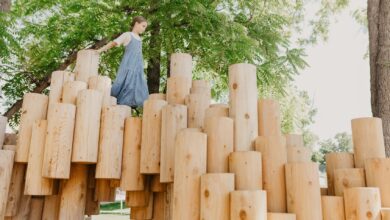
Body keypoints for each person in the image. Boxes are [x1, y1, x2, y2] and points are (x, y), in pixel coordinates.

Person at [97, 16, 149, 109]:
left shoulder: (139, 39)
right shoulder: (127, 35)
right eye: (143, 26)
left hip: (137, 66)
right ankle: (113, 102)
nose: (144, 29)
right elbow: (114, 43)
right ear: (136, 24)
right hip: (128, 64)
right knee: (124, 82)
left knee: (135, 85)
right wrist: (100, 50)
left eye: (145, 27)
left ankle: (128, 105)